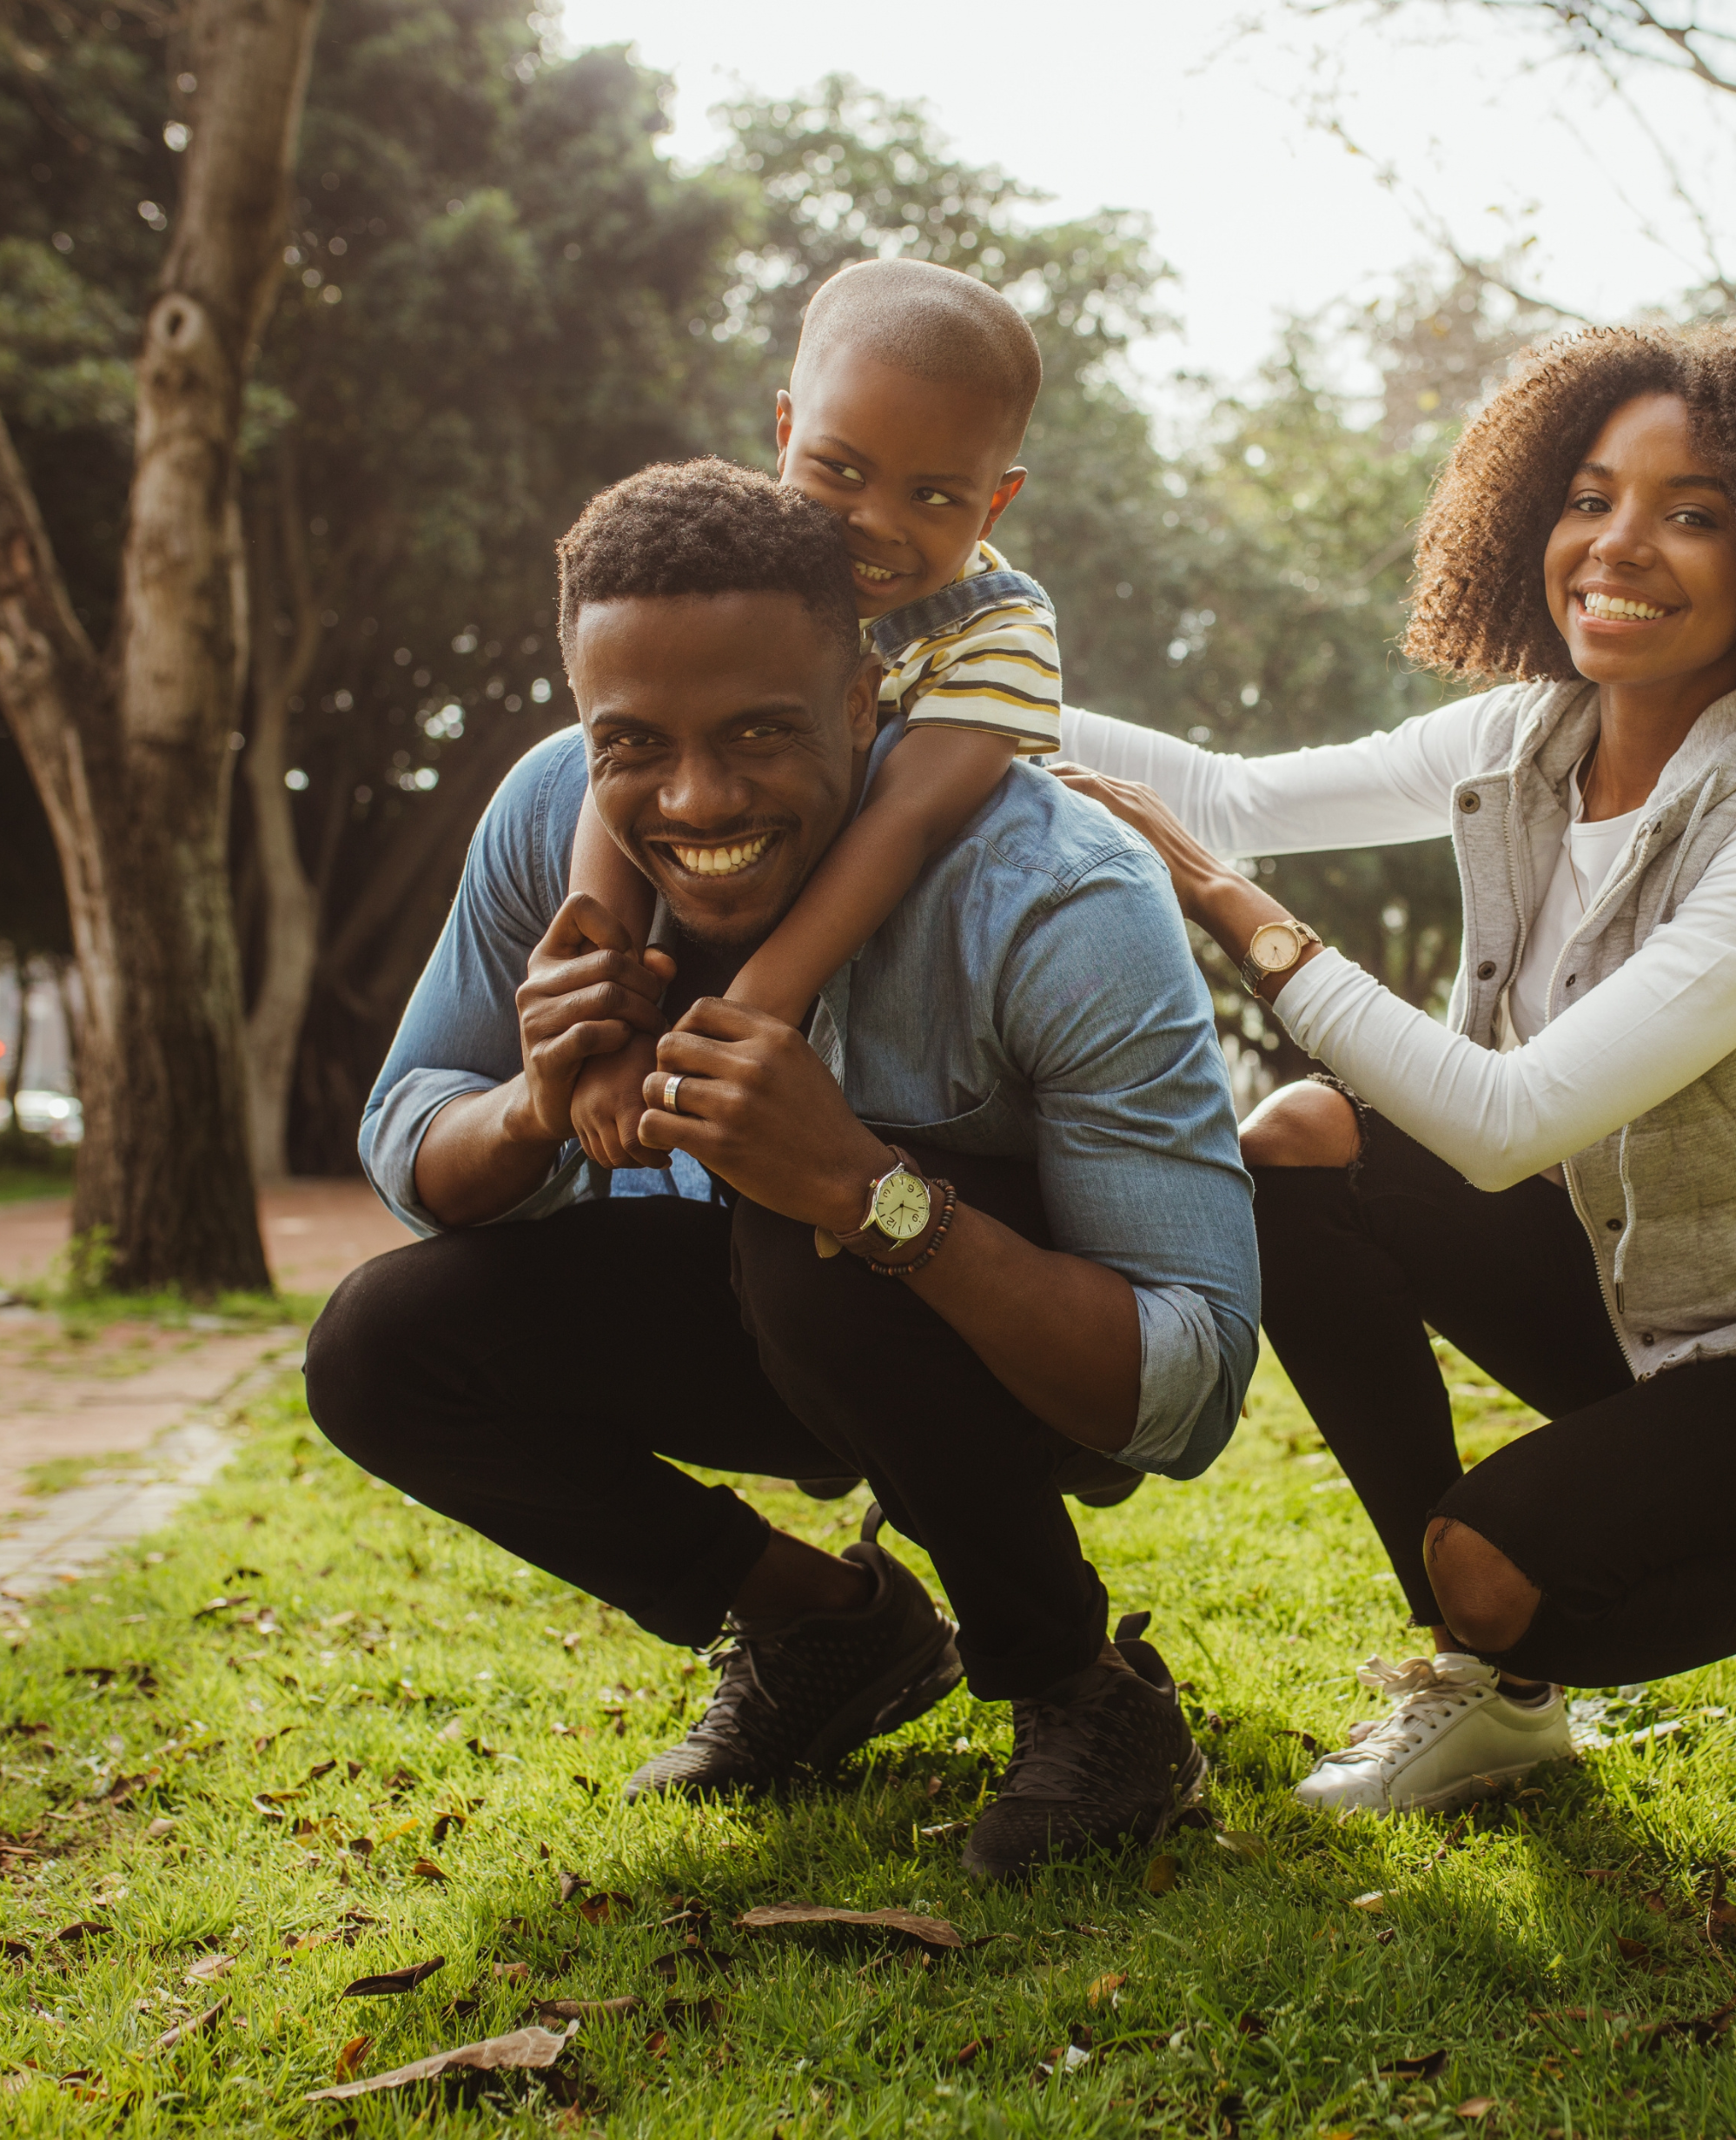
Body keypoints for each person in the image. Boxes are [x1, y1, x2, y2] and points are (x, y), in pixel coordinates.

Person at [1053, 321, 1736, 1814]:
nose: (1615, 543)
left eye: (1693, 513)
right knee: (1306, 1141)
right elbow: (1222, 793)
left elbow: (1507, 1125)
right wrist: (920, 678)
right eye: (1587, 495)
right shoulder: (1530, 735)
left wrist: (1241, 920)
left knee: (1500, 1566)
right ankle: (1484, 1690)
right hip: (1650, 1298)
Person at [306, 460, 1258, 1882]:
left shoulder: (1058, 891)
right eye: (633, 743)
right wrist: (532, 1109)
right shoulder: (549, 816)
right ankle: (828, 1628)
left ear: (866, 703)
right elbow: (410, 1138)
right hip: (771, 1312)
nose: (696, 797)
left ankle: (1084, 1694)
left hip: (1020, 1358)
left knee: (800, 1236)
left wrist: (875, 1195)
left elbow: (1185, 1387)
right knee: (384, 1345)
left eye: (761, 731)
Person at [564, 259, 1063, 1177]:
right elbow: (617, 775)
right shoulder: (731, 570)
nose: (873, 522)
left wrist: (746, 1018)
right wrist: (605, 1031)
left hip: (883, 1006)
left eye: (933, 496)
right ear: (786, 431)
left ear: (996, 497)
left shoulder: (998, 632)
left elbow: (903, 821)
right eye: (840, 470)